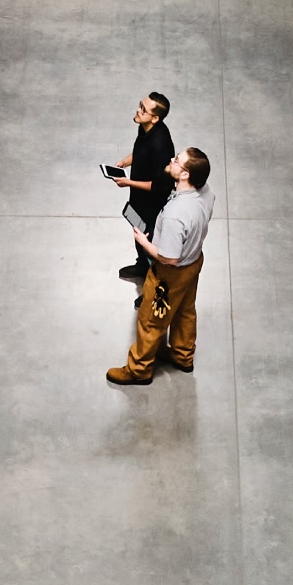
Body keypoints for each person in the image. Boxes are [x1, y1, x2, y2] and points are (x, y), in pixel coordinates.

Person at [107, 148, 213, 385]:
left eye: (177, 161)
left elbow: (169, 257)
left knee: (150, 320)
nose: (171, 160)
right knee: (185, 311)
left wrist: (144, 242)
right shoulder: (206, 192)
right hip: (194, 262)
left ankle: (139, 369)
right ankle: (182, 356)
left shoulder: (176, 215)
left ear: (185, 174)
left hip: (170, 274)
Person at [113, 92, 174, 282]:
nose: (138, 111)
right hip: (138, 200)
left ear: (155, 118)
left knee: (150, 244)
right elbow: (140, 151)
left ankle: (152, 287)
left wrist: (128, 182)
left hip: (151, 208)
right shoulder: (145, 128)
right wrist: (125, 161)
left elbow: (160, 186)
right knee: (138, 236)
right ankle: (141, 267)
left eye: (143, 110)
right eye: (140, 105)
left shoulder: (160, 145)